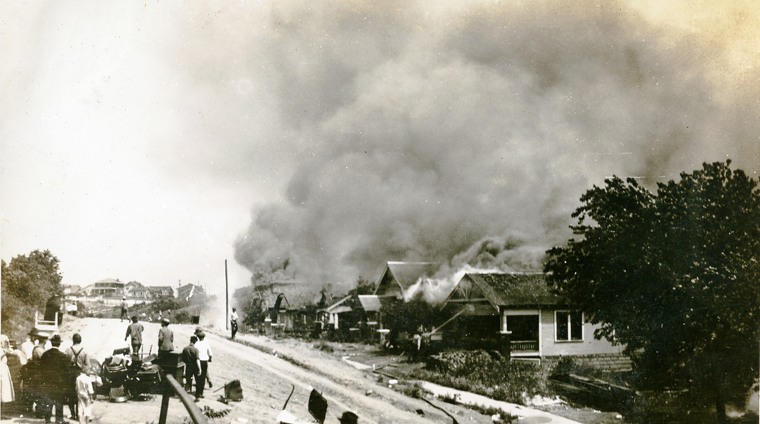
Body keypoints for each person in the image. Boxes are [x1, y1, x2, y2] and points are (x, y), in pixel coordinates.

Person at [40, 334, 69, 423]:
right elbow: (66, 372)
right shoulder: (63, 356)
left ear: (51, 343)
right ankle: (59, 419)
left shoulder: (45, 355)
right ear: (59, 344)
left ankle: (47, 419)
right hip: (59, 383)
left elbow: (41, 369)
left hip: (47, 382)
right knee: (59, 401)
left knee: (48, 400)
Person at [65, 333, 90, 420]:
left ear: (73, 340)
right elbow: (87, 365)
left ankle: (73, 414)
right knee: (80, 393)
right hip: (80, 373)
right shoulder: (84, 351)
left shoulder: (68, 350)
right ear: (80, 340)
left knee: (71, 394)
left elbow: (65, 363)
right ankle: (79, 414)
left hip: (70, 374)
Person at [20, 345, 46, 417]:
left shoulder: (36, 349)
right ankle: (39, 412)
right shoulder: (39, 349)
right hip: (38, 374)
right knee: (39, 392)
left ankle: (29, 409)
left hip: (33, 375)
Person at [181, 335, 201, 400]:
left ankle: (186, 396)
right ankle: (197, 396)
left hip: (188, 366)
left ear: (190, 341)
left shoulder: (185, 349)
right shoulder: (196, 350)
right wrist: (199, 369)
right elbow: (197, 360)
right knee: (198, 381)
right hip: (195, 366)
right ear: (195, 342)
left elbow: (183, 359)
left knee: (188, 380)